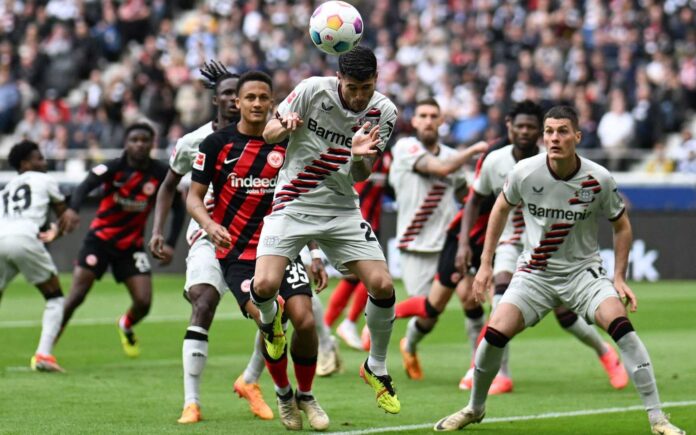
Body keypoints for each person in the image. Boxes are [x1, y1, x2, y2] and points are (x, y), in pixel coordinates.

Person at [434, 106, 685, 435]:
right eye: (549, 131)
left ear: (577, 136)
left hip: (583, 275)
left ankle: (658, 419)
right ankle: (474, 408)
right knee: (492, 336)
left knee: (624, 331)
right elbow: (498, 210)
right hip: (535, 274)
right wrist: (485, 264)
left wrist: (619, 277)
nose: (555, 137)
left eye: (562, 131)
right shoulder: (526, 172)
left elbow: (621, 225)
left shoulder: (599, 178)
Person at [253, 46, 401, 414]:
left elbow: (361, 175)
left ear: (376, 81)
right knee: (264, 287)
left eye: (365, 87)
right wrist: (283, 126)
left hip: (340, 209)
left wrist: (361, 158)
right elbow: (268, 132)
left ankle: (376, 367)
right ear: (339, 79)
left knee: (383, 285)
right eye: (352, 87)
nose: (358, 96)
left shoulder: (384, 111)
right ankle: (272, 326)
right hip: (293, 202)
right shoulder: (310, 90)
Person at [188, 71, 330, 431]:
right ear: (236, 102)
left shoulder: (285, 144)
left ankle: (307, 395)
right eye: (248, 97)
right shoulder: (215, 145)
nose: (255, 104)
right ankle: (283, 392)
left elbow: (300, 200)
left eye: (263, 98)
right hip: (237, 255)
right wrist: (209, 224)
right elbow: (192, 198)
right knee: (272, 321)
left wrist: (315, 253)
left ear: (273, 102)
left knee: (307, 320)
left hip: (282, 247)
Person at [457, 100, 628, 394]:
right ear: (509, 127)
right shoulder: (495, 161)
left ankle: (605, 353)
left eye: (531, 127)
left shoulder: (555, 158)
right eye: (520, 126)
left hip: (550, 248)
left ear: (540, 132)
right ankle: (502, 375)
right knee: (500, 301)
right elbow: (476, 200)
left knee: (566, 317)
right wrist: (465, 244)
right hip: (512, 244)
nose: (525, 132)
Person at [148, 61, 274, 423]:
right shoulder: (196, 141)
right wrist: (158, 231)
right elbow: (170, 186)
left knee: (275, 313)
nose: (236, 100)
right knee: (204, 301)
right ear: (216, 100)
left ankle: (250, 380)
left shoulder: (271, 136)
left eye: (241, 93)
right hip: (208, 235)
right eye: (229, 95)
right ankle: (192, 402)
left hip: (256, 238)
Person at [57, 122, 184, 358]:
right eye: (134, 140)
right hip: (100, 240)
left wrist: (171, 243)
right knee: (76, 296)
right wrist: (73, 209)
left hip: (131, 246)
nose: (139, 144)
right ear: (126, 143)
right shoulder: (113, 167)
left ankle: (125, 323)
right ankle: (47, 347)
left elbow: (178, 207)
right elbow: (85, 185)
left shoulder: (160, 173)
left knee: (144, 303)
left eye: (144, 140)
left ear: (152, 144)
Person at [388, 98, 486, 380]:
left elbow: (463, 195)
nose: (429, 120)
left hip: (449, 245)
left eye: (434, 115)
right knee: (429, 314)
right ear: (415, 121)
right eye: (423, 115)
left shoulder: (452, 155)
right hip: (415, 246)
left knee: (470, 297)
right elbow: (441, 169)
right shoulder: (406, 148)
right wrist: (475, 150)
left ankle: (476, 365)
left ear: (442, 121)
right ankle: (410, 343)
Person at [0, 141, 73, 372]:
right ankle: (44, 354)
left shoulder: (6, 188)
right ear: (25, 164)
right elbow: (65, 216)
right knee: (55, 298)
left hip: (1, 239)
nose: (44, 162)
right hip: (25, 239)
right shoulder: (44, 180)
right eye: (39, 158)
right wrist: (56, 233)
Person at [323, 152, 391, 352]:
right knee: (370, 276)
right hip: (353, 221)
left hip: (371, 223)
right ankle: (345, 323)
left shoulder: (388, 157)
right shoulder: (353, 149)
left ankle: (326, 328)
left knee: (356, 278)